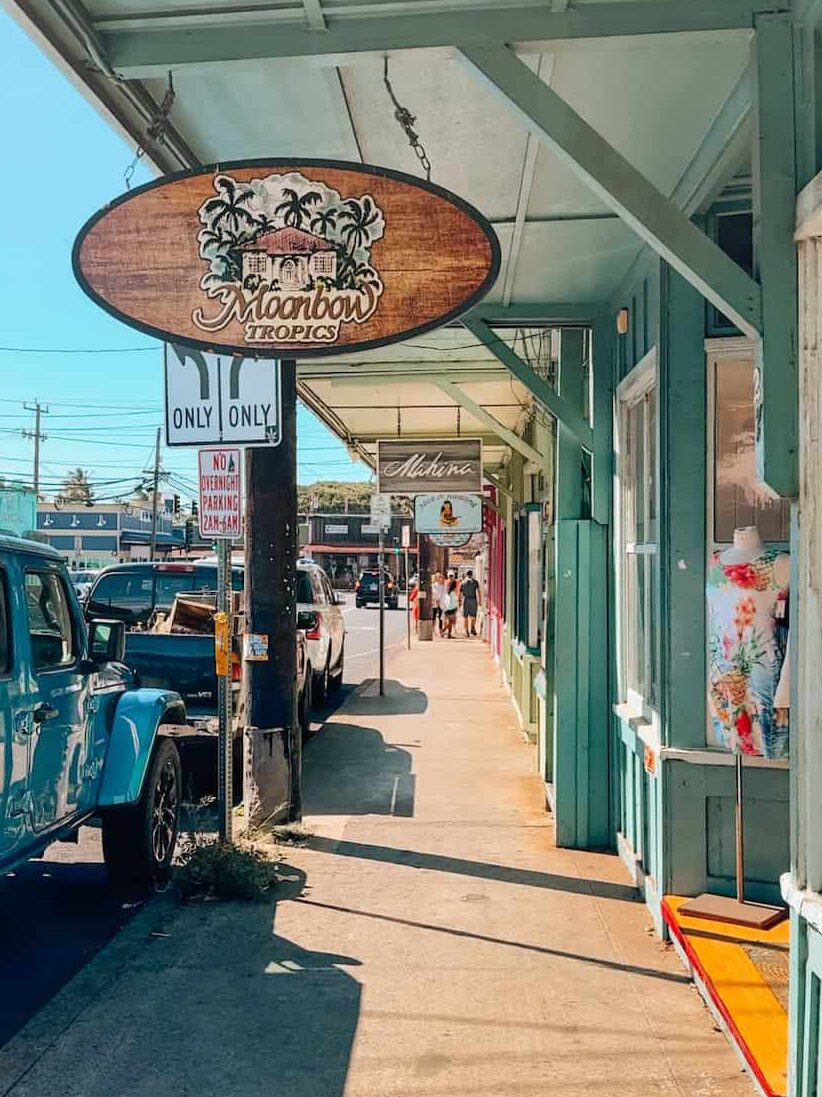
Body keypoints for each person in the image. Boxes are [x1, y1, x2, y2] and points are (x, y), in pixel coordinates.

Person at [460, 569, 480, 637]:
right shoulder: (475, 582)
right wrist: (479, 600)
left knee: (465, 616)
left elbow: (460, 593)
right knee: (473, 616)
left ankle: (466, 631)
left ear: (466, 574)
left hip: (465, 599)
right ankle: (472, 628)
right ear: (472, 574)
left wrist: (459, 601)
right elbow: (478, 591)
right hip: (473, 599)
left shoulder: (462, 582)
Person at [431, 572, 446, 636]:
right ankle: (433, 630)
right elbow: (432, 593)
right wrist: (435, 599)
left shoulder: (443, 586)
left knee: (441, 618)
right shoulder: (433, 585)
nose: (440, 578)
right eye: (439, 577)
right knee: (433, 617)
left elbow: (444, 594)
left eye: (441, 577)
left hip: (441, 603)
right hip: (434, 603)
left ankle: (440, 630)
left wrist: (440, 600)